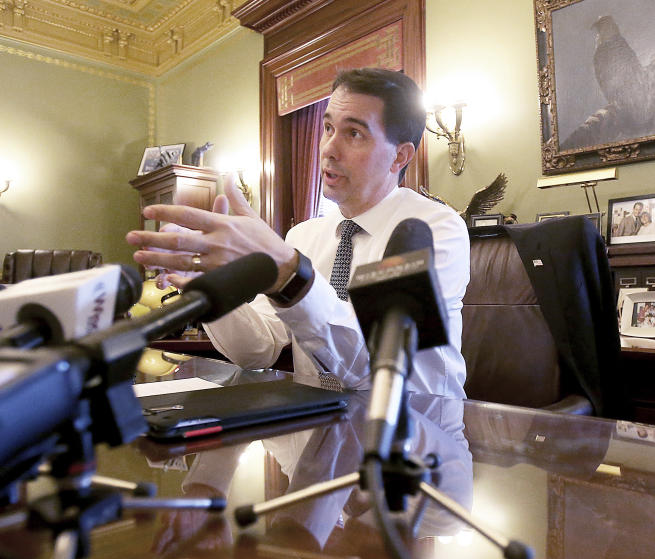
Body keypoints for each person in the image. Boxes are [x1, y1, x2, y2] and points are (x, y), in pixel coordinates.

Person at [125, 67, 470, 398]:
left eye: (354, 134)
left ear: (400, 156)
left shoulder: (430, 229)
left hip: (419, 436)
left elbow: (373, 367)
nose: (328, 149)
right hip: (319, 431)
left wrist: (290, 272)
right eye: (328, 128)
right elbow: (256, 351)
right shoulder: (302, 237)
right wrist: (214, 287)